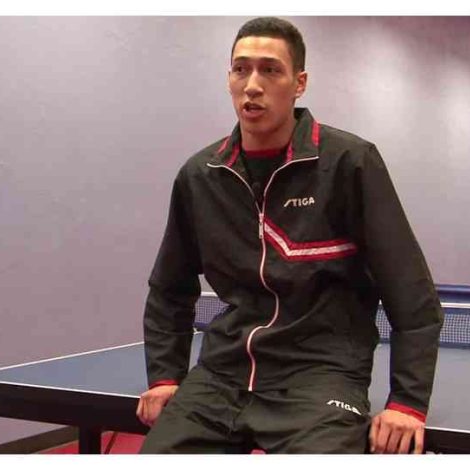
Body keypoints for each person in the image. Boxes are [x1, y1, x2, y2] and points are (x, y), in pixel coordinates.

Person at [136, 17, 443, 454]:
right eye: (241, 69)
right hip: (223, 373)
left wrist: (407, 402)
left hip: (320, 375)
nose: (252, 85)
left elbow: (410, 292)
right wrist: (165, 376)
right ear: (228, 79)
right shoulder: (200, 176)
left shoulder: (349, 163)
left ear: (299, 83)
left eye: (270, 70)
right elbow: (169, 288)